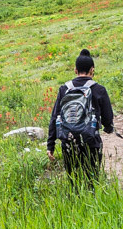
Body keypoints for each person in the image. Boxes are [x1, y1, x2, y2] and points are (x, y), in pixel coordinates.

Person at [48, 49, 114, 185]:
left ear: (75, 70)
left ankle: (75, 203)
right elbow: (108, 118)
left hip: (68, 142)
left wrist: (51, 145)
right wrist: (108, 127)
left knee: (73, 182)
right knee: (92, 180)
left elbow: (55, 117)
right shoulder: (99, 89)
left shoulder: (64, 89)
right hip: (91, 142)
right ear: (92, 70)